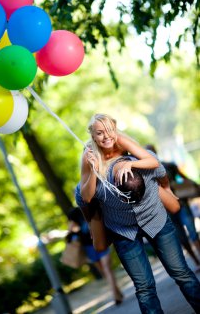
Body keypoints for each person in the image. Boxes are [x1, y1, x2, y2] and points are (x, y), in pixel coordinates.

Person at [76, 113, 200, 314]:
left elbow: (154, 163)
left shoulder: (121, 140)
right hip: (123, 230)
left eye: (109, 130)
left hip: (154, 218)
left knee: (181, 273)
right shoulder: (89, 155)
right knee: (144, 289)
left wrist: (130, 164)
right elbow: (86, 196)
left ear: (114, 129)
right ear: (92, 135)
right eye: (100, 133)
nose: (106, 136)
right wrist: (92, 171)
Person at [145, 144, 200, 264]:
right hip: (167, 209)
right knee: (183, 237)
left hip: (179, 204)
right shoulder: (145, 174)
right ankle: (196, 261)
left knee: (190, 233)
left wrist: (194, 187)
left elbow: (183, 178)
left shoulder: (168, 166)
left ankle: (198, 259)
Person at [67, 207, 124, 305]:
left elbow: (70, 232)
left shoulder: (75, 218)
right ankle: (117, 292)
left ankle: (115, 294)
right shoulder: (83, 212)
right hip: (97, 243)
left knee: (105, 270)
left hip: (93, 246)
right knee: (106, 271)